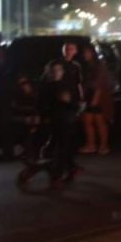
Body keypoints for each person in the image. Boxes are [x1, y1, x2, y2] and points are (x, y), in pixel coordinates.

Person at [43, 42, 83, 186]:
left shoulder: (75, 67)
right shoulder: (55, 64)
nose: (69, 51)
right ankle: (66, 169)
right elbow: (48, 84)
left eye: (72, 49)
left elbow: (78, 85)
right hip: (58, 108)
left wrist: (80, 100)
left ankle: (64, 170)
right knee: (61, 141)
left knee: (65, 141)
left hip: (70, 107)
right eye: (66, 48)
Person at [79, 44, 113, 155]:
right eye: (84, 53)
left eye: (87, 52)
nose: (85, 55)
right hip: (89, 95)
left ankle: (103, 145)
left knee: (99, 121)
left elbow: (100, 84)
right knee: (87, 121)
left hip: (98, 97)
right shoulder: (86, 66)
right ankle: (91, 144)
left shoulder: (99, 65)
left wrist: (95, 99)